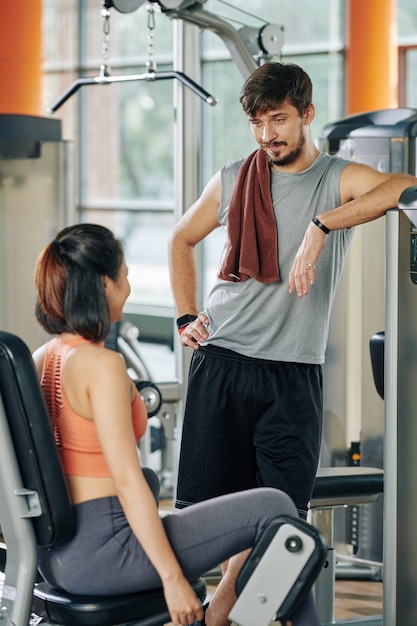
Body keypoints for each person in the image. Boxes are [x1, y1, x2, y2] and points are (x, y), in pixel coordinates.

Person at [32, 223, 320, 626]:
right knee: (276, 507)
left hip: (58, 556)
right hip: (106, 554)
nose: (129, 287)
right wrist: (172, 580)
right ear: (104, 284)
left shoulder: (43, 357)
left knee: (278, 528)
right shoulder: (102, 366)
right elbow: (127, 482)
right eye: (126, 276)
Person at [168, 61, 417, 520]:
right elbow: (180, 239)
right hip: (222, 358)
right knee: (216, 518)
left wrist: (323, 224)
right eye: (256, 123)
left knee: (283, 520)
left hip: (292, 374)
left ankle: (230, 597)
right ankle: (228, 596)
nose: (266, 135)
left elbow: (407, 187)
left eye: (277, 119)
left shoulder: (336, 178)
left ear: (307, 113)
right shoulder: (232, 177)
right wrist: (185, 315)